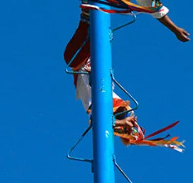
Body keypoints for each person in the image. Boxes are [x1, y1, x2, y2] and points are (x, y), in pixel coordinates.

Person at [63, 11, 184, 151]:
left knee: (89, 36)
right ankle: (88, 13)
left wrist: (121, 121)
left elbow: (97, 121)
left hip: (80, 63)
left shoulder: (99, 104)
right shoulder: (113, 100)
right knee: (94, 32)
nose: (132, 118)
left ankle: (87, 15)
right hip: (87, 61)